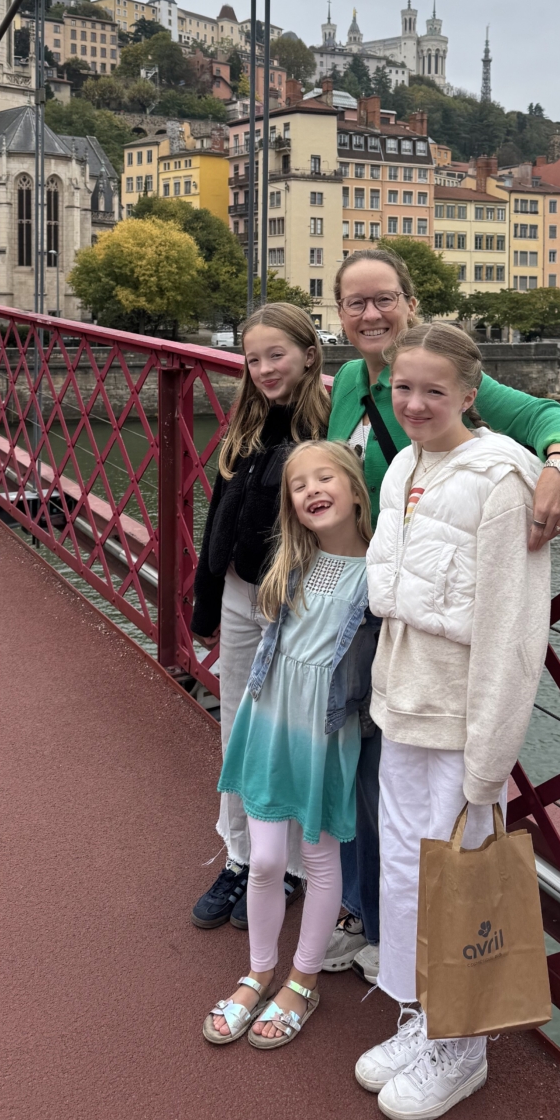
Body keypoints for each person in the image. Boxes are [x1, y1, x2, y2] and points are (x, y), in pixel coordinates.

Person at [321, 249, 560, 983]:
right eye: (355, 302)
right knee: (362, 772)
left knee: (416, 799)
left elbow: (544, 416)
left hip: (433, 619)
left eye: (384, 298)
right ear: (338, 314)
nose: (370, 314)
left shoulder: (442, 375)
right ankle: (370, 915)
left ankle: (417, 960)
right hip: (369, 599)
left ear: (410, 301)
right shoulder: (350, 382)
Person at [355, 323, 553, 1120]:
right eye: (404, 388)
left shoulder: (502, 480)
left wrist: (490, 756)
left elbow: (513, 630)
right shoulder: (407, 462)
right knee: (407, 867)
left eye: (433, 391)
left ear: (471, 395)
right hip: (403, 699)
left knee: (460, 875)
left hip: (462, 712)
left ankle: (463, 1045)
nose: (414, 403)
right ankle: (420, 1013)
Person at [203, 441, 376, 1048]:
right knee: (266, 859)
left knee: (321, 859)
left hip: (324, 733)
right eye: (298, 486)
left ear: (356, 489)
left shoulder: (380, 572)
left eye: (325, 478)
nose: (311, 491)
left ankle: (302, 980)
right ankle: (258, 973)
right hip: (270, 719)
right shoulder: (292, 561)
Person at [189, 304, 330, 932]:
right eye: (253, 359)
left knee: (291, 732)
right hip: (239, 592)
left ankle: (290, 865)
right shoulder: (245, 423)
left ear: (309, 354)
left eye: (278, 355)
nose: (266, 369)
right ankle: (240, 854)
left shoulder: (328, 425)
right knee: (238, 728)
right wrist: (205, 599)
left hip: (293, 602)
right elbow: (219, 513)